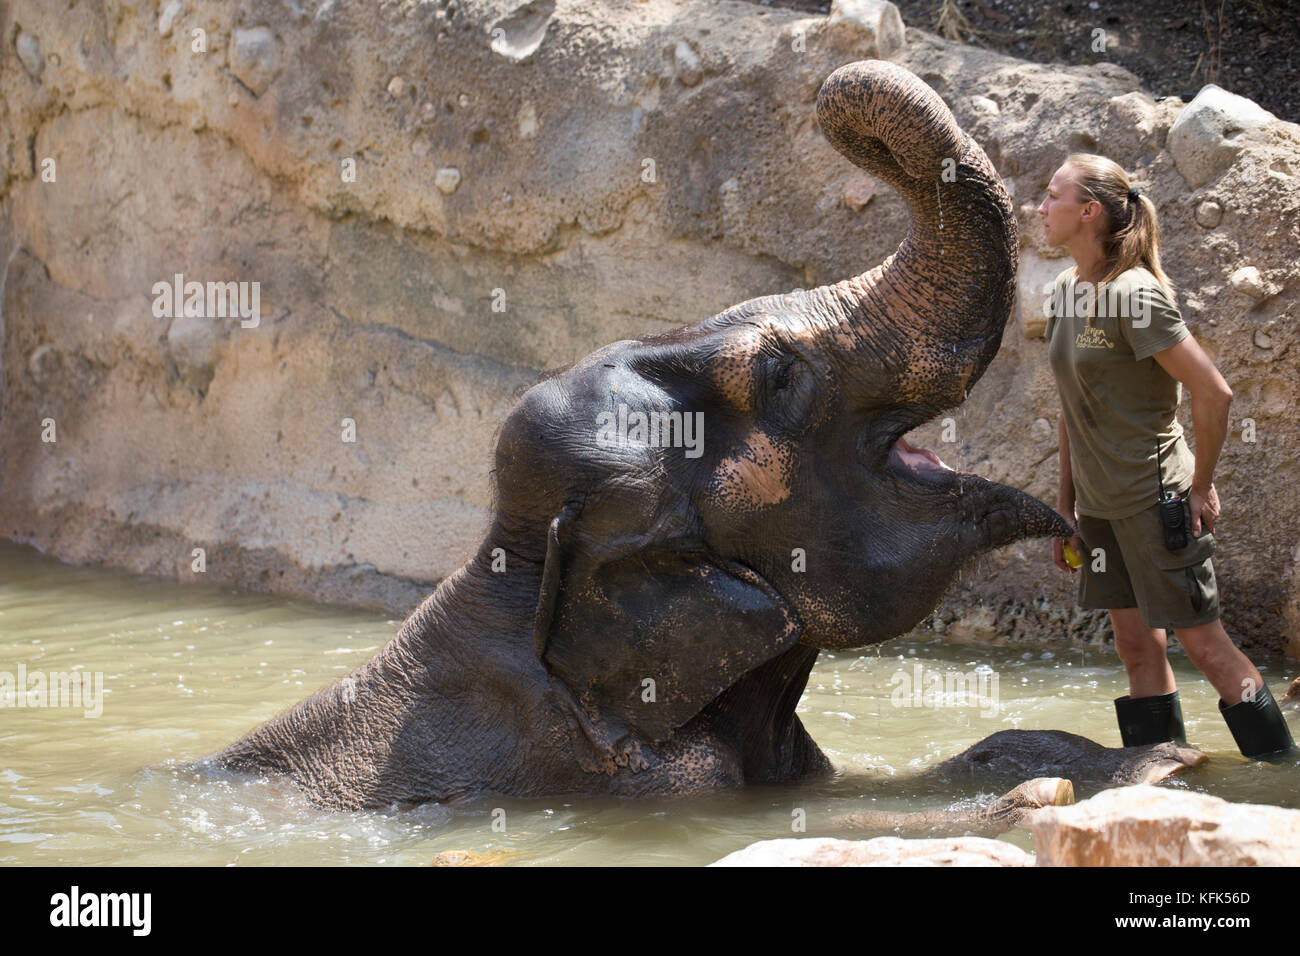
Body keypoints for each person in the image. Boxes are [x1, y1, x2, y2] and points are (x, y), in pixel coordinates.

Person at [1037, 152, 1293, 760]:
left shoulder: (1136, 295)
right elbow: (1075, 409)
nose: (1041, 208)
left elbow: (1214, 391)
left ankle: (1281, 774)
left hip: (1157, 500)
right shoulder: (1066, 293)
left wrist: (1200, 486)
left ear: (1089, 211)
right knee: (1135, 648)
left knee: (1205, 646)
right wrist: (1065, 507)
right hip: (1100, 509)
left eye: (1053, 197)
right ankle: (1160, 780)